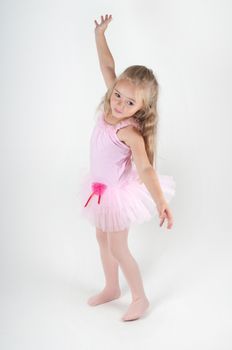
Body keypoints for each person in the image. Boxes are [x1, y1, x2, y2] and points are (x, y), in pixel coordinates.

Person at [77, 14, 176, 321]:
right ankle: (111, 287)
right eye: (117, 94)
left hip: (118, 195)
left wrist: (160, 201)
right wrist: (99, 35)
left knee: (119, 247)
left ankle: (139, 297)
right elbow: (108, 65)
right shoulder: (112, 102)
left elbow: (145, 169)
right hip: (100, 190)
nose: (119, 104)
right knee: (101, 239)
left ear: (141, 109)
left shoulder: (130, 133)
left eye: (129, 102)